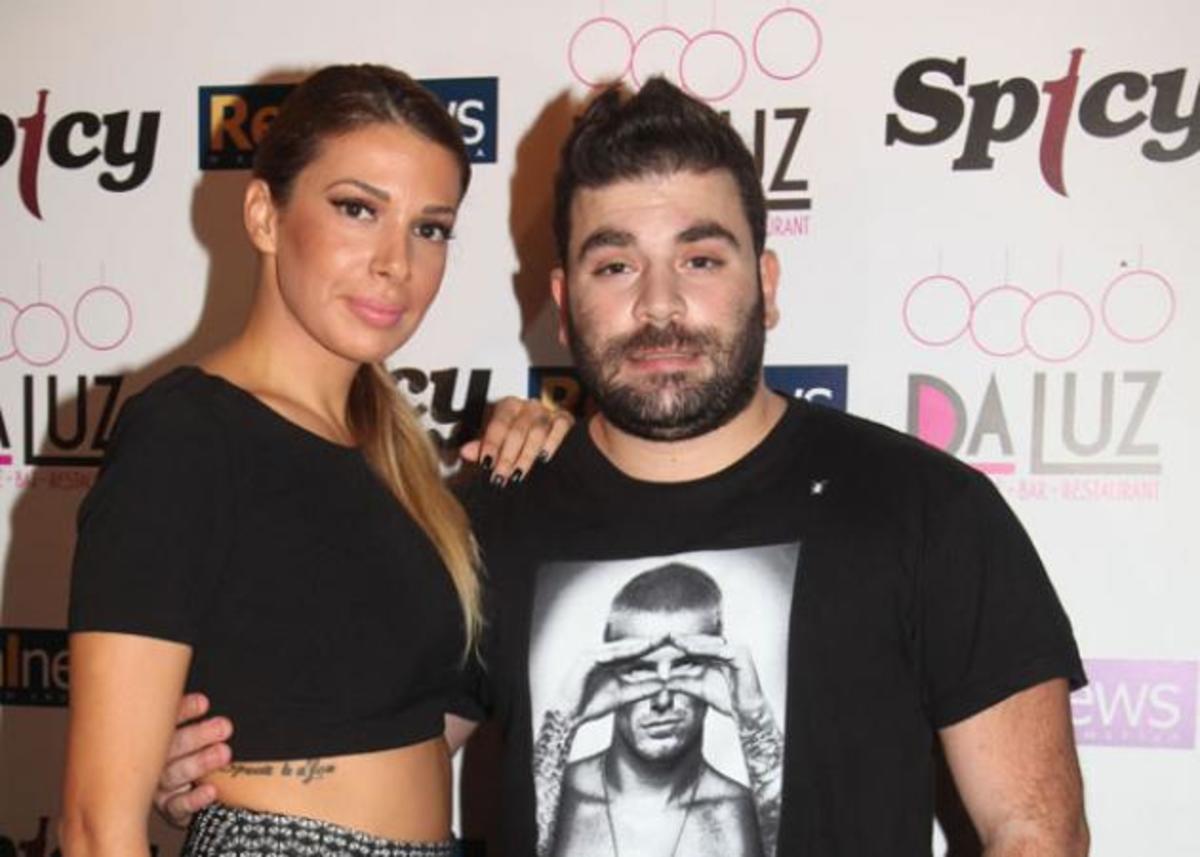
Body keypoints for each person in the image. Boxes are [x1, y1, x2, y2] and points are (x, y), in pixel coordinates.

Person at [155, 77, 1090, 857]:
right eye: (615, 266)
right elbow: (373, 758)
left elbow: (1035, 830)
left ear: (766, 284)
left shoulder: (925, 509)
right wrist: (213, 773)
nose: (660, 305)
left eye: (701, 258)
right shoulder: (488, 518)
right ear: (564, 304)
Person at [60, 64, 567, 857]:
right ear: (265, 215)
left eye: (430, 228)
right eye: (358, 209)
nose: (395, 261)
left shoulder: (400, 463)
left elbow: (405, 722)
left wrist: (540, 453)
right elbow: (97, 827)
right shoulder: (187, 434)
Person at [536, 561, 778, 857]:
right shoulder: (558, 800)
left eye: (685, 666)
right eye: (640, 669)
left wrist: (755, 720)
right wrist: (560, 721)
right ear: (607, 670)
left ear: (718, 668)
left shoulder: (742, 817)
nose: (662, 700)